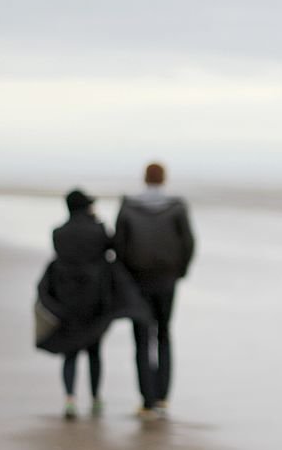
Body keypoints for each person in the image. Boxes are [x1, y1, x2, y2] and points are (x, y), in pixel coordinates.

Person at [114, 162, 196, 420]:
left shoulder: (128, 206)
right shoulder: (177, 208)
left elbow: (118, 245)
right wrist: (178, 272)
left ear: (144, 178)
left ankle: (147, 401)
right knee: (163, 335)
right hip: (166, 281)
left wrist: (126, 276)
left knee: (141, 339)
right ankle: (162, 399)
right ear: (164, 179)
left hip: (137, 283)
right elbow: (189, 244)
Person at [37, 189, 113, 420]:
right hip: (94, 298)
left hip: (67, 297)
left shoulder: (58, 233)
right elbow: (109, 252)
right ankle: (96, 397)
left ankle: (70, 398)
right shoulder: (98, 230)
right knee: (94, 350)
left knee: (70, 351)